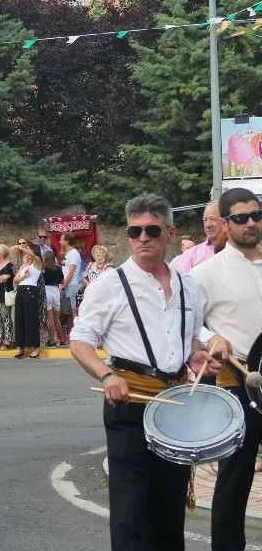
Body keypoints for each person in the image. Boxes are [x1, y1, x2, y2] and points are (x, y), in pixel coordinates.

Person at [70, 193, 214, 551]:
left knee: (169, 509)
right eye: (135, 232)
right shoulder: (109, 284)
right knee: (130, 512)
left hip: (176, 407)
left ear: (169, 232)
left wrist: (196, 357)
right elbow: (79, 341)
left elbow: (192, 339)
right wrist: (106, 376)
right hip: (129, 405)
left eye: (151, 230)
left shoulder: (188, 285)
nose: (143, 238)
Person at [194, 187, 262, 551]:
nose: (250, 223)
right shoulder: (206, 273)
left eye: (256, 215)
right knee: (234, 481)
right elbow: (190, 323)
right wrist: (212, 337)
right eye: (240, 218)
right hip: (237, 385)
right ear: (225, 223)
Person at [173, 202, 223, 273]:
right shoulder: (190, 255)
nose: (208, 225)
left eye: (212, 219)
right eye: (205, 220)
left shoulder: (237, 250)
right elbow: (182, 282)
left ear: (225, 221)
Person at [13, 243, 43, 359]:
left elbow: (33, 255)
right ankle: (21, 347)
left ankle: (35, 347)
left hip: (30, 290)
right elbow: (16, 279)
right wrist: (22, 277)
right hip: (21, 290)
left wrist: (22, 248)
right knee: (19, 318)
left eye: (28, 250)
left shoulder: (37, 262)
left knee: (31, 318)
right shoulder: (24, 265)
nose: (26, 252)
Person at [60, 233, 83, 339]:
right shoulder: (68, 253)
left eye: (61, 239)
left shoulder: (73, 253)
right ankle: (71, 334)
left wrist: (64, 285)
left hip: (71, 285)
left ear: (67, 241)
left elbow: (71, 272)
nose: (60, 241)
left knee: (73, 311)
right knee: (67, 311)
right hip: (68, 284)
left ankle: (77, 335)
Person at [42, 250, 64, 346]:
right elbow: (62, 282)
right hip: (56, 290)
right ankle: (62, 339)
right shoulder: (58, 268)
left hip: (46, 290)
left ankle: (52, 340)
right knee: (57, 318)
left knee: (50, 318)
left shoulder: (43, 269)